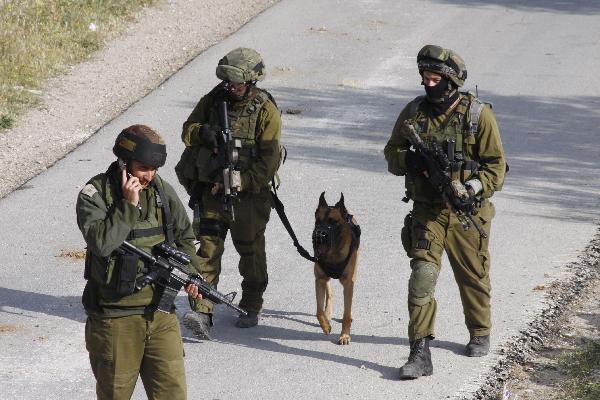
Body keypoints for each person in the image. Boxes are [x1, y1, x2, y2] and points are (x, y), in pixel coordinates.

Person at [384, 45, 507, 379]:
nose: (428, 83)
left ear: (451, 81)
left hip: (469, 212)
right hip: (427, 211)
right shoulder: (413, 112)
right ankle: (420, 351)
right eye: (425, 77)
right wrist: (410, 161)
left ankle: (480, 330)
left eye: (435, 77)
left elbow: (497, 167)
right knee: (422, 275)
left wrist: (472, 188)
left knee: (473, 278)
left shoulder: (478, 115)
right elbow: (392, 151)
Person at [76, 124, 203, 399]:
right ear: (124, 161)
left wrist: (190, 274)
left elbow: (184, 237)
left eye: (153, 169)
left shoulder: (161, 191)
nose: (148, 176)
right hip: (114, 320)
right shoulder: (95, 194)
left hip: (161, 314)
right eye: (142, 167)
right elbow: (102, 243)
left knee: (173, 394)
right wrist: (127, 206)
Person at [175, 47, 282, 338]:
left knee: (250, 250)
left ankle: (251, 303)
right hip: (212, 191)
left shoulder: (266, 110)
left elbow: (268, 163)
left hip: (249, 195)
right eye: (229, 83)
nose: (231, 88)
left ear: (251, 81)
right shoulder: (214, 100)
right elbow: (188, 130)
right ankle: (202, 310)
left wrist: (239, 181)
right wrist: (203, 134)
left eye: (237, 84)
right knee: (207, 249)